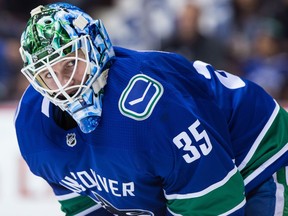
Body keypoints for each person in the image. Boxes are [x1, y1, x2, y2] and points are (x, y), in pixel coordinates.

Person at [14, 3, 288, 216]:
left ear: (95, 46)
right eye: (47, 75)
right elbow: (85, 206)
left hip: (258, 157)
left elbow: (213, 203)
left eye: (70, 64)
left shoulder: (150, 107)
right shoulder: (31, 125)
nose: (63, 85)